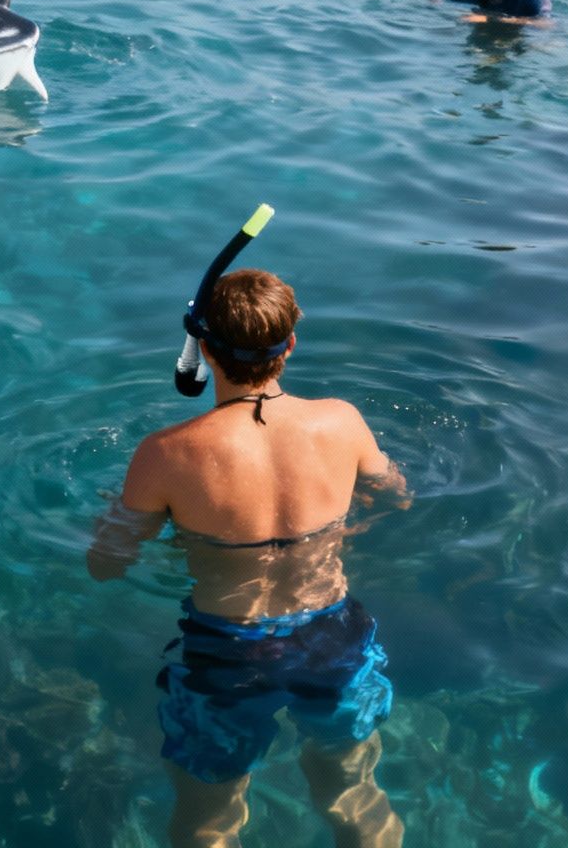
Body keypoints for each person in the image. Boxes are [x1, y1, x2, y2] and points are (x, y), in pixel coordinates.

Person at [89, 268, 410, 848]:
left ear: (204, 349)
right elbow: (399, 495)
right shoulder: (342, 421)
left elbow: (106, 564)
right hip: (333, 636)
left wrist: (114, 517)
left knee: (208, 818)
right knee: (353, 795)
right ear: (290, 344)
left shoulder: (165, 453)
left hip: (227, 653)